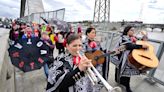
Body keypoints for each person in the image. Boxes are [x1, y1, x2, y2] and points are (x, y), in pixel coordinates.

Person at [114, 26, 148, 92]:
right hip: (121, 57)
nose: (133, 31)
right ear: (127, 31)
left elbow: (141, 41)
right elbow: (128, 45)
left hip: (129, 58)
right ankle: (123, 83)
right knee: (120, 69)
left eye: (133, 30)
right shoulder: (123, 38)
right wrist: (141, 46)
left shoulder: (133, 38)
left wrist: (144, 36)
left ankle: (126, 85)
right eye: (131, 30)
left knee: (126, 73)